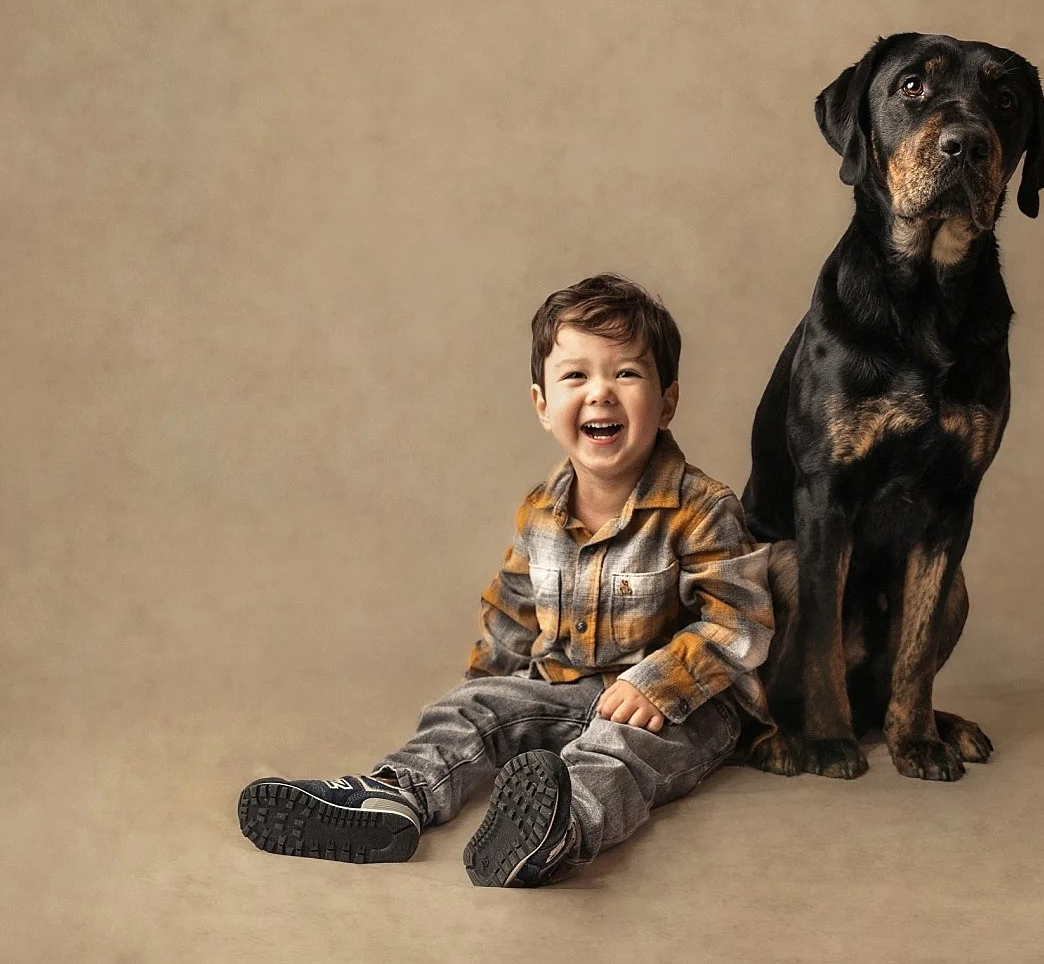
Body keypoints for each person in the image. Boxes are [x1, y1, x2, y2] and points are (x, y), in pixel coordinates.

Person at [236, 273, 774, 887]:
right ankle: (389, 800)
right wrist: (489, 700)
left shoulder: (702, 506)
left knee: (615, 753)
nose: (600, 394)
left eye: (626, 374)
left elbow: (739, 620)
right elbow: (512, 614)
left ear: (668, 400)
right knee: (470, 708)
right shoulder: (540, 510)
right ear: (543, 406)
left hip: (680, 709)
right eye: (576, 376)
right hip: (566, 690)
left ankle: (558, 828)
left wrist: (658, 683)